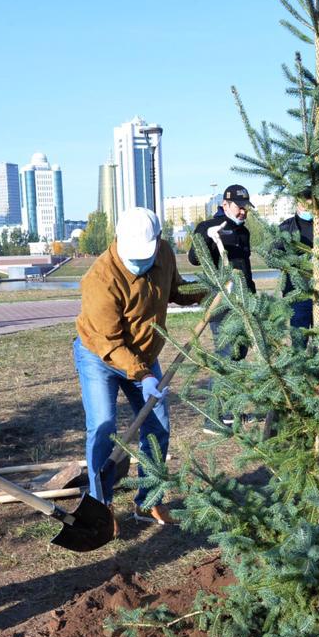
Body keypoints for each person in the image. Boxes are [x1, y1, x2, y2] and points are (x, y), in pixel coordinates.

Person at [74, 208, 205, 533]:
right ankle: (101, 505)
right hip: (100, 356)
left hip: (145, 355)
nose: (140, 263)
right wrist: (144, 376)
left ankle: (148, 501)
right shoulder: (100, 279)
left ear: (158, 240)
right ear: (119, 241)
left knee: (157, 426)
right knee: (103, 427)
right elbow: (111, 343)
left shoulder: (162, 254)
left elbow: (176, 290)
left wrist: (211, 289)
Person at [189, 185, 255, 431]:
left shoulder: (243, 232)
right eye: (240, 207)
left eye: (246, 208)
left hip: (243, 301)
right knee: (226, 355)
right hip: (221, 301)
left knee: (238, 354)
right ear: (225, 204)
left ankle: (229, 411)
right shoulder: (208, 226)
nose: (243, 212)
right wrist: (209, 236)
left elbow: (245, 268)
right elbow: (195, 258)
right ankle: (214, 417)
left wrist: (252, 296)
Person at [278, 199, 319, 347]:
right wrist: (302, 260)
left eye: (311, 204)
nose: (307, 207)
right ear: (297, 204)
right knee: (299, 340)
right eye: (304, 203)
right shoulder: (287, 228)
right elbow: (274, 255)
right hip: (297, 293)